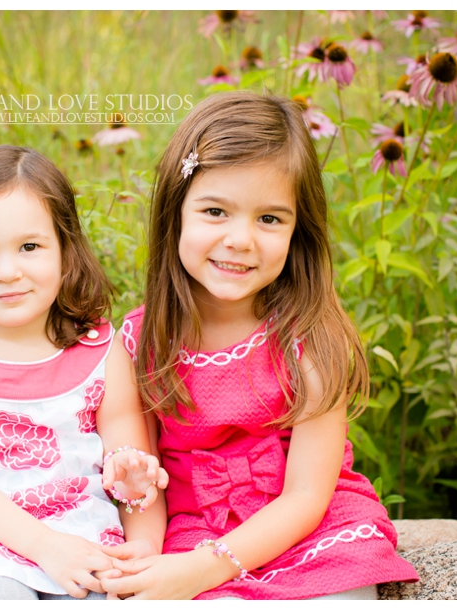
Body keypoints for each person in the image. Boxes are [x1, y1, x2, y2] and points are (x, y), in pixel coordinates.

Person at [98, 92, 419, 600]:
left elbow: (307, 496)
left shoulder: (310, 336)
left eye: (269, 219)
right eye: (215, 211)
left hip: (309, 528)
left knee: (340, 592)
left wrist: (207, 569)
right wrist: (149, 555)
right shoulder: (141, 344)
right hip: (194, 532)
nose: (241, 239)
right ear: (175, 213)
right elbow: (141, 474)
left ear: (298, 231)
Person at [0, 145, 168, 600]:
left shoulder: (99, 350)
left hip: (81, 528)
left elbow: (131, 463)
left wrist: (141, 550)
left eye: (30, 247)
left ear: (64, 251)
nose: (8, 271)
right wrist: (44, 547)